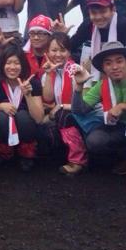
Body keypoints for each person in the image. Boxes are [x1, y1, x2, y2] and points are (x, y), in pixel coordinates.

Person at [70, 41, 126, 186]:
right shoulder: (103, 84)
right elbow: (79, 110)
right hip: (120, 127)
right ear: (103, 68)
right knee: (95, 141)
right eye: (108, 63)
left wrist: (124, 106)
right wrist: (79, 87)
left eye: (119, 61)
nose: (115, 67)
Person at [0, 45, 44, 172]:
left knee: (23, 116)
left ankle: (26, 154)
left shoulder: (33, 83)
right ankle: (3, 151)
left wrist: (28, 95)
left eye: (16, 63)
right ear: (2, 64)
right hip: (3, 127)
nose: (12, 67)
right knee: (0, 117)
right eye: (8, 63)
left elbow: (39, 118)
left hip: (25, 127)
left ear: (23, 65)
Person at [40, 32, 86, 176]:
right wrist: (49, 74)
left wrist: (60, 107)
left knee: (64, 115)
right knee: (42, 123)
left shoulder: (76, 70)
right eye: (54, 50)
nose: (58, 54)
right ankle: (59, 155)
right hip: (58, 112)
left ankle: (78, 160)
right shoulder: (48, 71)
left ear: (69, 52)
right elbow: (47, 98)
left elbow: (84, 103)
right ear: (47, 52)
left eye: (62, 50)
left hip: (79, 113)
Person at [70, 0, 126, 76]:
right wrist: (62, 35)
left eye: (103, 12)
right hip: (92, 74)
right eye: (93, 13)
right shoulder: (87, 25)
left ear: (113, 9)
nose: (98, 17)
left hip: (121, 73)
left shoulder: (125, 25)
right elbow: (69, 48)